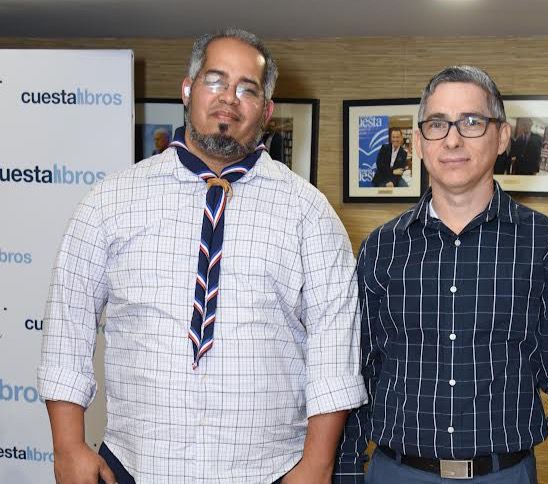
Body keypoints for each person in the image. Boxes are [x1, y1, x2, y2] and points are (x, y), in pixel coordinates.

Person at [38, 28, 367, 484]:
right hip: (136, 466)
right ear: (188, 90)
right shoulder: (109, 201)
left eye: (247, 89)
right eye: (215, 80)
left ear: (266, 110)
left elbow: (335, 346)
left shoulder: (309, 212)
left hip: (269, 470)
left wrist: (316, 465)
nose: (228, 98)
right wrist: (67, 447)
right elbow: (67, 325)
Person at [335, 65, 548, 484]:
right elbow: (356, 369)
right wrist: (347, 467)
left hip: (505, 473)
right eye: (437, 124)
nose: (453, 139)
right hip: (395, 471)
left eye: (472, 122)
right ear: (420, 142)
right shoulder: (382, 247)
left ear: (502, 136)